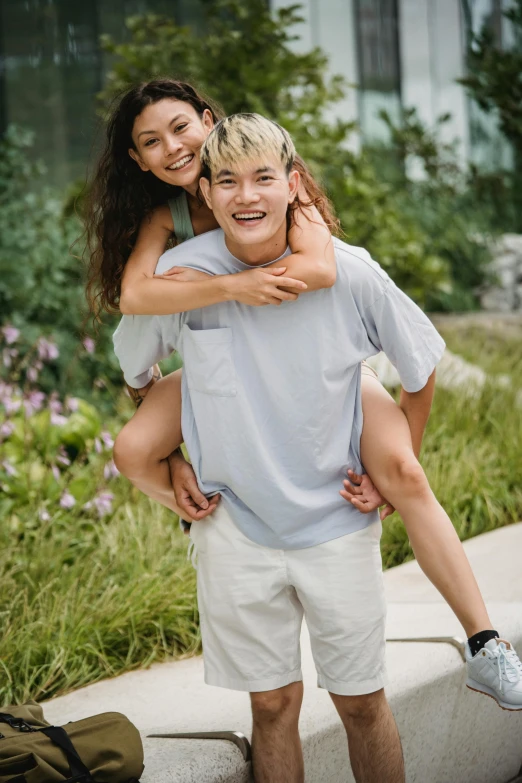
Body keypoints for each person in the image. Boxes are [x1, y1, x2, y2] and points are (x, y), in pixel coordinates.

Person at [85, 80, 521, 714]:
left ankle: (485, 644)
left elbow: (318, 270)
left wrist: (246, 275)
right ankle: (189, 503)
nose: (173, 147)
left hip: (312, 362)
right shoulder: (168, 222)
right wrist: (222, 292)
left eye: (181, 128)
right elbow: (135, 306)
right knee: (133, 450)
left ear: (210, 121)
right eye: (151, 141)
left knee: (401, 468)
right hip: (219, 364)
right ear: (138, 160)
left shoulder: (281, 180)